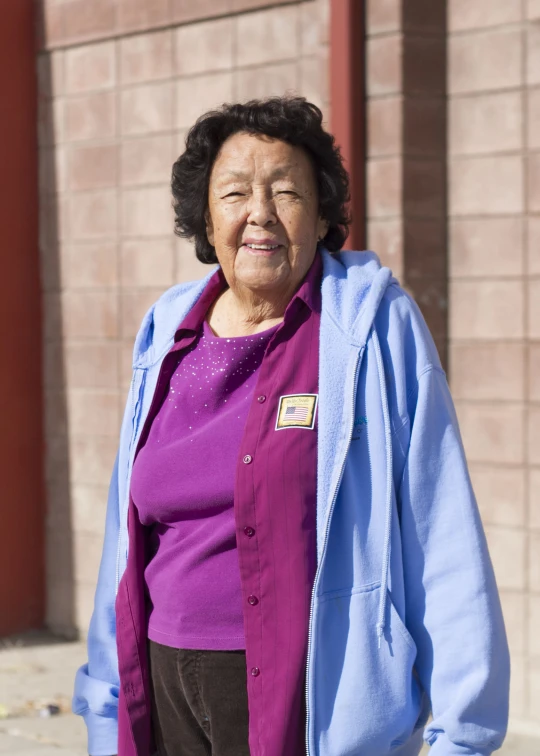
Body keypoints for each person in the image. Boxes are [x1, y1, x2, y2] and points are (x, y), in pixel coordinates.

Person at [73, 96, 510, 756]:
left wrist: (463, 734)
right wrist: (105, 706)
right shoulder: (166, 332)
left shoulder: (370, 327)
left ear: (322, 213)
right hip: (162, 691)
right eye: (235, 193)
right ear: (206, 215)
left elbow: (439, 525)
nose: (261, 214)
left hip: (308, 698)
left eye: (286, 192)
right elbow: (123, 537)